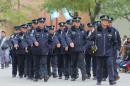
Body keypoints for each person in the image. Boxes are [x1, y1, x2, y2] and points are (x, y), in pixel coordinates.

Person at [90, 15, 117, 85]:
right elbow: (89, 39)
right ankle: (99, 80)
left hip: (109, 53)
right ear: (101, 22)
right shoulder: (96, 31)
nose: (105, 22)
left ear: (108, 22)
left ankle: (111, 80)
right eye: (103, 20)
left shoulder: (111, 31)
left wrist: (113, 51)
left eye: (106, 21)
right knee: (99, 67)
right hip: (99, 52)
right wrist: (92, 47)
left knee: (110, 65)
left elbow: (115, 42)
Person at [68, 17, 91, 81]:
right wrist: (70, 42)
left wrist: (84, 47)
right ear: (74, 23)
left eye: (78, 22)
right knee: (74, 63)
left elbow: (87, 40)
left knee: (82, 62)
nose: (77, 23)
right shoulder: (71, 30)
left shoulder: (83, 30)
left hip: (81, 49)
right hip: (73, 49)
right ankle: (73, 76)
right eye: (76, 22)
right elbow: (68, 38)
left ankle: (84, 75)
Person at [32, 17, 49, 82]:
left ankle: (45, 75)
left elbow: (51, 40)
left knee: (44, 63)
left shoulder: (47, 31)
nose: (42, 24)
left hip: (44, 51)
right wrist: (35, 41)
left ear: (44, 23)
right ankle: (36, 77)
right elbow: (32, 37)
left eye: (43, 23)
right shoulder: (34, 31)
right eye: (40, 23)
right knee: (36, 64)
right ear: (38, 23)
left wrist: (49, 47)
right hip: (36, 50)